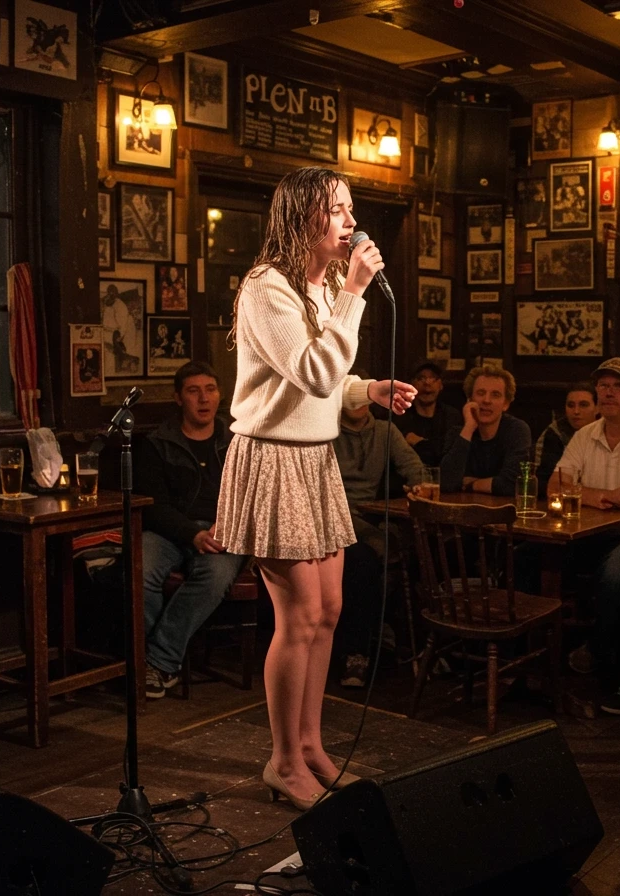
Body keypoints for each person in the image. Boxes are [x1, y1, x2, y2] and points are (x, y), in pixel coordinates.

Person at [213, 167, 416, 811]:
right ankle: (280, 762)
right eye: (337, 209)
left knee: (328, 613)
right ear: (303, 216)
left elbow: (330, 380)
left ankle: (310, 744)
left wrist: (369, 390)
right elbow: (309, 368)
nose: (349, 220)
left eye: (350, 208)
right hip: (272, 462)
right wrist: (355, 290)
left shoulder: (324, 284)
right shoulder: (265, 288)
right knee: (296, 617)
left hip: (315, 460)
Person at [543, 359, 620, 714]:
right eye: (603, 386)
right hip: (585, 532)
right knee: (527, 555)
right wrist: (604, 496)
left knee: (616, 573)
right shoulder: (586, 434)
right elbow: (554, 486)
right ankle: (533, 661)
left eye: (618, 386)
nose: (608, 392)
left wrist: (582, 491)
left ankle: (603, 653)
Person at [135, 361, 248, 699]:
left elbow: (253, 493)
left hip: (225, 531)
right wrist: (191, 533)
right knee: (139, 567)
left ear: (220, 395)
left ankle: (157, 660)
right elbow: (153, 505)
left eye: (210, 390)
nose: (203, 399)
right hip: (172, 530)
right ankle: (154, 660)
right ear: (178, 398)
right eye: (193, 391)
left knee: (214, 576)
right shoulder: (158, 443)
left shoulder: (237, 440)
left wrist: (227, 525)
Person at [332, 380, 425, 688]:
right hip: (332, 515)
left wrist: (419, 486)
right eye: (350, 395)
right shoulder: (325, 431)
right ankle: (362, 650)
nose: (357, 402)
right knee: (369, 556)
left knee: (407, 549)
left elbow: (417, 471)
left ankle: (388, 640)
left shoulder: (385, 431)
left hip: (370, 516)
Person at [439, 364, 531, 496]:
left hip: (504, 512)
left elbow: (513, 484)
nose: (487, 400)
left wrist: (472, 484)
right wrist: (469, 428)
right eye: (481, 393)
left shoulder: (517, 430)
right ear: (470, 399)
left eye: (495, 395)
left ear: (506, 404)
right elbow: (445, 483)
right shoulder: (458, 432)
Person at [388, 361, 460, 467]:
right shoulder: (399, 416)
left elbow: (452, 457)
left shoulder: (452, 416)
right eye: (420, 378)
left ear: (440, 385)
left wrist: (418, 442)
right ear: (411, 384)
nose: (427, 383)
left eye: (433, 378)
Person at [534, 382, 599, 493]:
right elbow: (543, 481)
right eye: (571, 405)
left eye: (583, 405)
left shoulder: (607, 431)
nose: (576, 411)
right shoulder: (555, 433)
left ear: (598, 408)